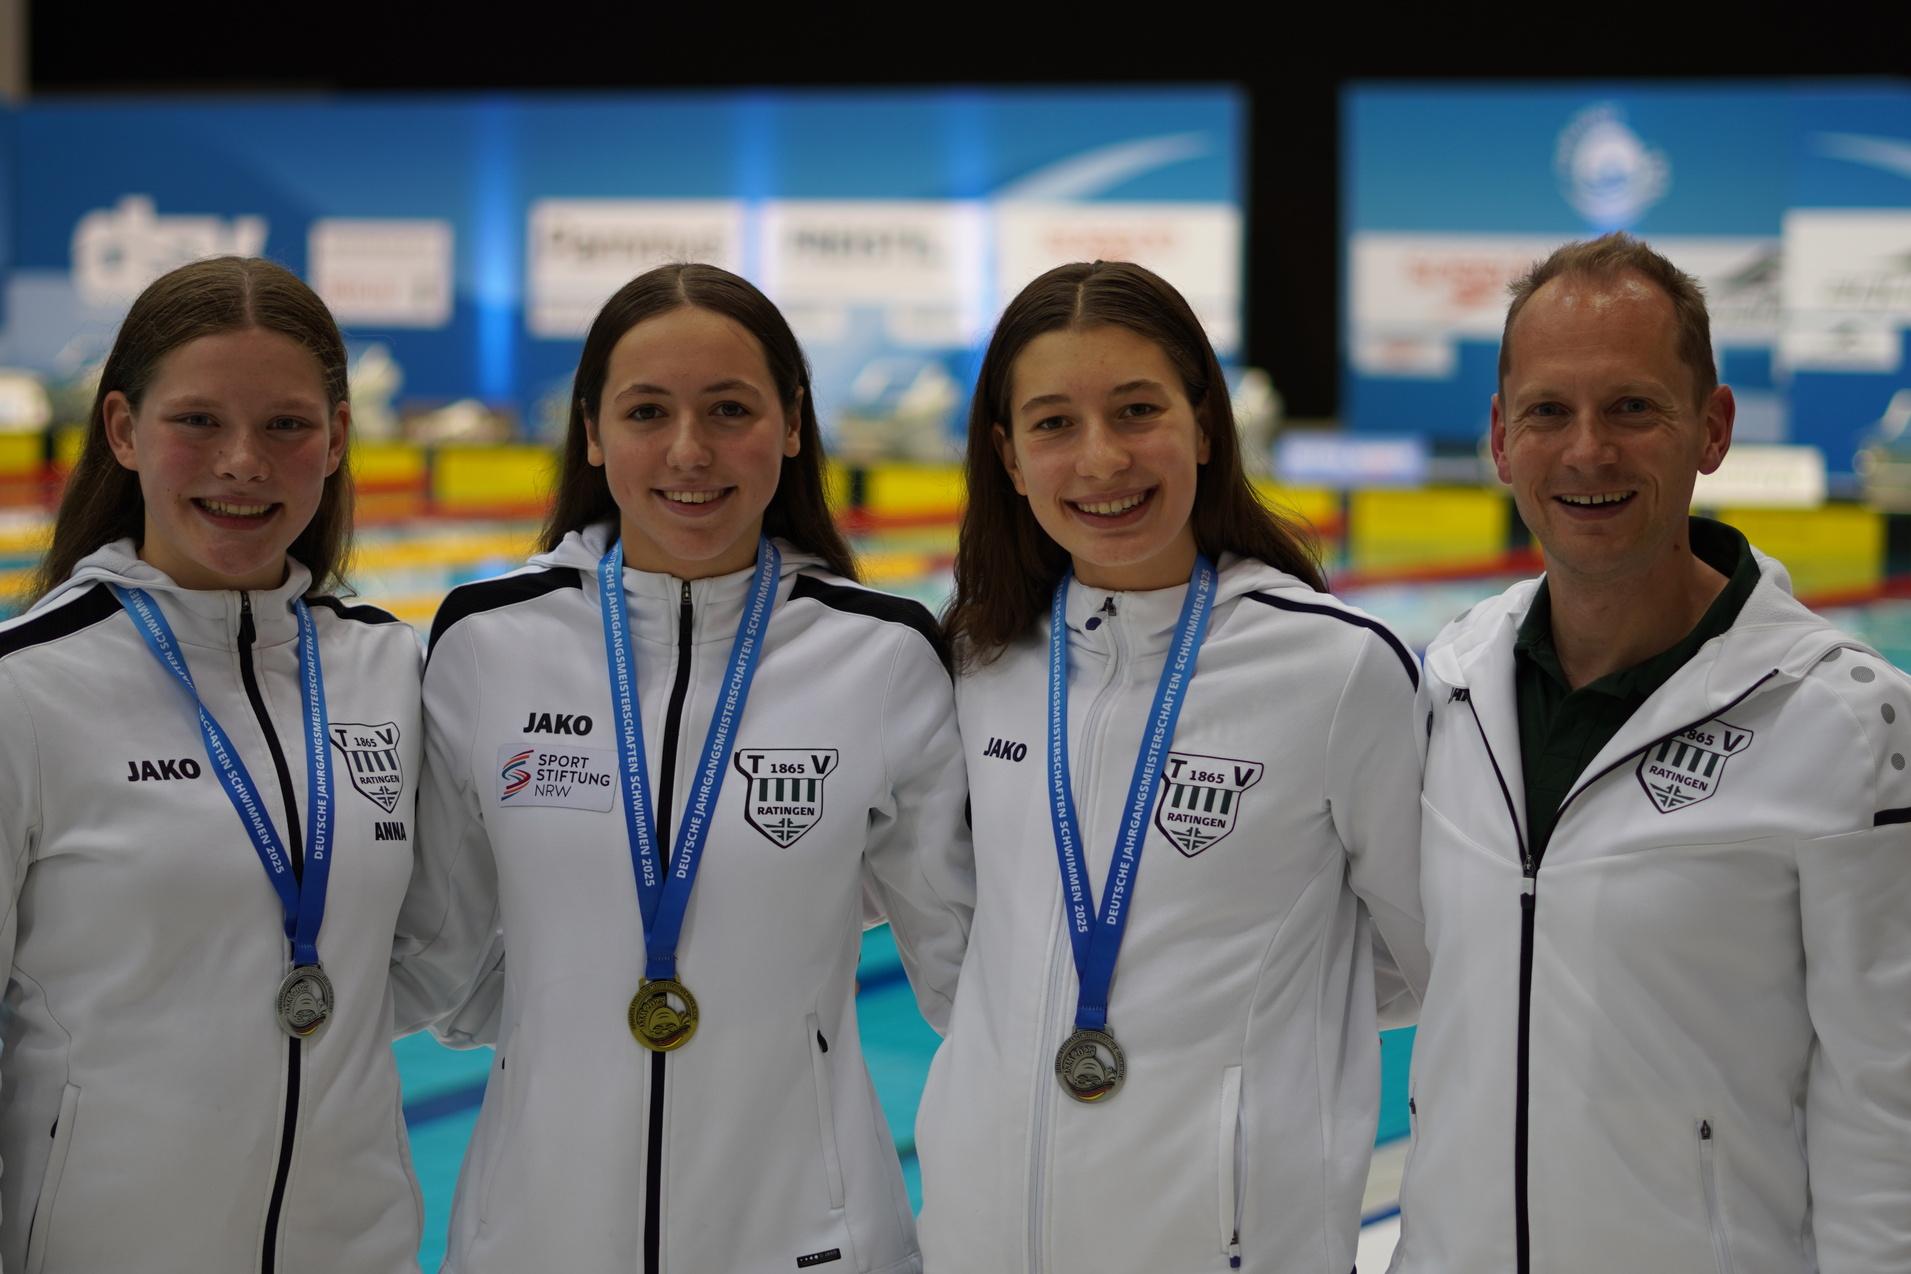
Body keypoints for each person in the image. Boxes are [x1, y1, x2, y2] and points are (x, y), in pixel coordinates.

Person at [398, 263, 973, 1273]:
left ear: (792, 423)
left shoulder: (880, 654)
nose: (688, 450)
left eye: (729, 408)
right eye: (647, 411)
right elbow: (442, 961)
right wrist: (567, 1007)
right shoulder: (487, 643)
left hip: (814, 1234)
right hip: (535, 1234)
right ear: (591, 430)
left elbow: (965, 971)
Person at [1391, 233, 1911, 1273]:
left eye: (1632, 407)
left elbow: (1888, 1103)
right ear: (1500, 438)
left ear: (1710, 429)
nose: (1588, 451)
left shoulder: (1851, 725)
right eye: (1548, 411)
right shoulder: (1449, 683)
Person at [918, 260, 1428, 1273]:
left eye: (1136, 409)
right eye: (1055, 422)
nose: (1101, 457)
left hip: (1226, 1240)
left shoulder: (1335, 668)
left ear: (1203, 424)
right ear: (1008, 456)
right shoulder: (976, 661)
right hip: (981, 1232)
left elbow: (1422, 954)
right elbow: (954, 941)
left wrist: (1247, 1057)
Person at [0, 257, 425, 1273]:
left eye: (285, 425)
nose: (243, 461)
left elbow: (444, 957)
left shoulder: (394, 669)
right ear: (122, 430)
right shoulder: (29, 688)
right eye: (198, 421)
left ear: (334, 439)